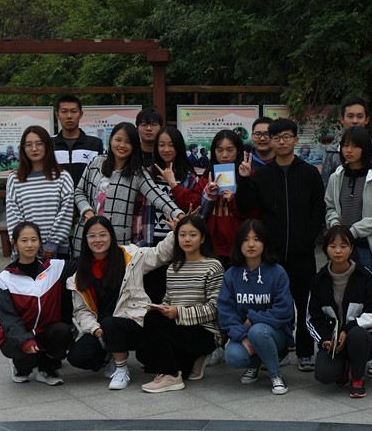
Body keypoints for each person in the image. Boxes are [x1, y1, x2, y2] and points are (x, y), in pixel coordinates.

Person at [236, 118, 325, 372]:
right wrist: (244, 179)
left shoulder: (309, 173)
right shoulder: (263, 175)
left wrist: (308, 239)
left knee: (305, 303)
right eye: (276, 138)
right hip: (272, 255)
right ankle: (280, 351)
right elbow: (245, 207)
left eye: (286, 137)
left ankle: (306, 352)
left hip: (302, 253)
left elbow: (318, 210)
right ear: (271, 142)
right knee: (273, 305)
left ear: (296, 140)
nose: (281, 142)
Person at [66, 215, 177, 388]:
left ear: (111, 236)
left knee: (112, 324)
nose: (98, 240)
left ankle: (121, 369)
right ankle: (111, 355)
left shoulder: (130, 256)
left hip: (133, 321)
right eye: (92, 236)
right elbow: (82, 311)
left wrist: (175, 234)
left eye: (103, 234)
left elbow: (159, 254)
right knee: (78, 356)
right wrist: (95, 330)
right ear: (85, 239)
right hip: (103, 329)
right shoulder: (80, 273)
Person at [137, 216, 224, 392]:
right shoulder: (173, 268)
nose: (187, 239)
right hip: (180, 328)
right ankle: (195, 359)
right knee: (143, 353)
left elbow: (215, 309)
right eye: (182, 235)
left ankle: (171, 376)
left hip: (204, 332)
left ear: (203, 238)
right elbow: (168, 300)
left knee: (154, 322)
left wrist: (179, 313)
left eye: (192, 234)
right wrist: (161, 308)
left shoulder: (213, 266)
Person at [72, 122, 183, 255]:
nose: (122, 145)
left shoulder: (138, 173)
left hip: (117, 241)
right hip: (87, 236)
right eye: (118, 140)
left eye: (128, 142)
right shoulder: (96, 162)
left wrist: (179, 215)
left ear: (135, 146)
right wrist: (87, 211)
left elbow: (158, 196)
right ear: (111, 140)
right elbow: (79, 192)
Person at [218, 219, 295, 395]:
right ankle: (253, 364)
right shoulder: (231, 275)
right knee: (234, 357)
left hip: (274, 334)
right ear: (239, 244)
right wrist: (242, 336)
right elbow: (226, 312)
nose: (251, 244)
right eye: (245, 239)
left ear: (265, 243)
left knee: (258, 331)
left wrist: (252, 319)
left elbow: (284, 310)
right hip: (245, 332)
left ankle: (275, 375)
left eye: (256, 239)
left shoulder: (277, 272)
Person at [0, 222, 75, 385]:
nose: (29, 245)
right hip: (16, 337)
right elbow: (8, 318)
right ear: (14, 244)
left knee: (63, 331)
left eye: (34, 240)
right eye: (24, 240)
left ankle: (46, 368)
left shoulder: (54, 268)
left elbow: (85, 263)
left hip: (45, 333)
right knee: (28, 359)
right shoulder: (5, 278)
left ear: (40, 242)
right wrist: (25, 340)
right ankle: (19, 367)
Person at [306, 226, 372, 398]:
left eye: (344, 246)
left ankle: (357, 377)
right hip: (334, 342)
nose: (338, 251)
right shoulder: (319, 280)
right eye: (332, 246)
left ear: (352, 248)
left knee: (356, 334)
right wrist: (325, 340)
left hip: (362, 339)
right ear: (326, 249)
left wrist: (347, 329)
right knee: (324, 375)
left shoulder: (364, 276)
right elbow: (313, 318)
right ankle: (344, 366)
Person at [324, 126, 372, 283]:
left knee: (367, 292)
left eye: (355, 146)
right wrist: (334, 223)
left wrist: (355, 230)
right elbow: (330, 206)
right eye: (345, 145)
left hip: (368, 248)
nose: (349, 150)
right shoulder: (337, 177)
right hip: (341, 247)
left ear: (365, 149)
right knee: (341, 290)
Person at [6, 126, 74, 259]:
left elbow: (65, 213)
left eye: (39, 144)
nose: (34, 149)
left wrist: (53, 243)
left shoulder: (62, 177)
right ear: (23, 148)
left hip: (56, 251)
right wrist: (26, 243)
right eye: (28, 145)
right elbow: (13, 215)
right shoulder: (14, 179)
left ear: (47, 146)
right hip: (25, 253)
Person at [198, 129, 259, 268]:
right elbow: (190, 204)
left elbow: (254, 212)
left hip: (240, 245)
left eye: (230, 150)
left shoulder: (249, 175)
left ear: (238, 151)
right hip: (211, 246)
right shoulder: (207, 176)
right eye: (219, 150)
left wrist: (233, 200)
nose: (224, 155)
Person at [135, 126, 202, 248]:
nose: (166, 149)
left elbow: (191, 208)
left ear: (179, 147)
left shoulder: (189, 177)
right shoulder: (148, 174)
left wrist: (172, 183)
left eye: (171, 145)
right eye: (161, 145)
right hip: (148, 240)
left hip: (179, 241)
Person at [321, 96, 372, 189]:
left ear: (366, 120)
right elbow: (325, 188)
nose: (355, 121)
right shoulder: (331, 153)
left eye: (360, 117)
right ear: (342, 119)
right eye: (350, 116)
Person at [52, 95, 104, 186]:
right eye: (64, 112)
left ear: (81, 114)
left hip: (86, 195)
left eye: (73, 111)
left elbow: (100, 176)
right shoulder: (49, 144)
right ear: (57, 115)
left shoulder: (95, 144)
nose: (69, 116)